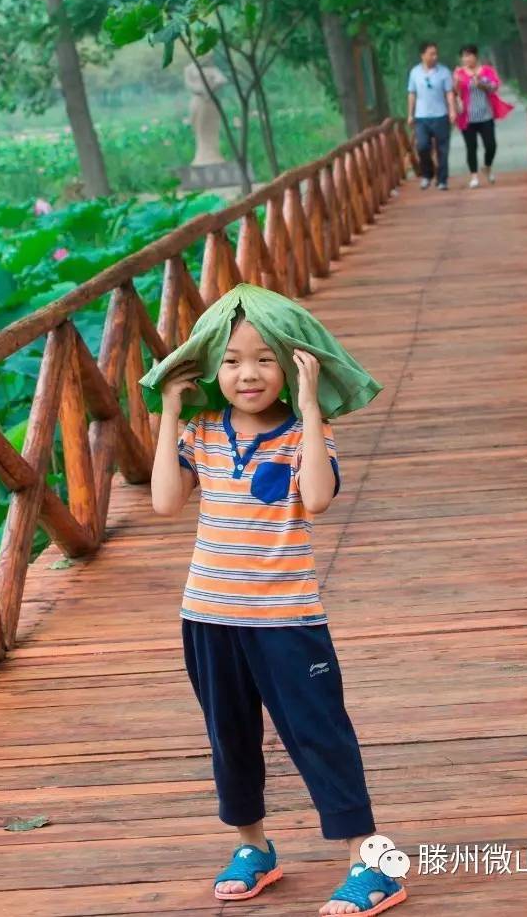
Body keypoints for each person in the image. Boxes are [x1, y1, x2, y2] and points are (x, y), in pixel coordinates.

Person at [142, 285, 407, 916]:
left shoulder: (302, 434)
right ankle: (253, 847)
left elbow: (316, 499)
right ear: (212, 367)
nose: (248, 374)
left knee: (319, 734)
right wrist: (169, 413)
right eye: (231, 360)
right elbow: (165, 502)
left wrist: (311, 409)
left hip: (286, 619)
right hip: (209, 614)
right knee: (229, 736)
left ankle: (371, 860)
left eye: (265, 359)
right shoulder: (203, 432)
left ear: (291, 366)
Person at [453, 45, 514, 188]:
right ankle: (474, 176)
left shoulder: (487, 70)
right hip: (467, 116)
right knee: (471, 147)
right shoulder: (459, 73)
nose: (466, 59)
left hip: (486, 114)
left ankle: (487, 166)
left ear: (476, 56)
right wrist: (456, 83)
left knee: (491, 145)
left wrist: (481, 84)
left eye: (469, 55)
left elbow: (494, 87)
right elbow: (455, 92)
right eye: (464, 56)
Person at [406, 42, 456, 191]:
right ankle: (427, 175)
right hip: (421, 117)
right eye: (431, 54)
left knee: (442, 150)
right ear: (423, 55)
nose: (435, 57)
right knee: (422, 146)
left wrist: (452, 110)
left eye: (436, 54)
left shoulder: (444, 72)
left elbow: (449, 93)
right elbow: (412, 93)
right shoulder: (415, 72)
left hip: (440, 115)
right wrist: (410, 114)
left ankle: (442, 180)